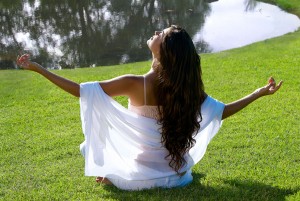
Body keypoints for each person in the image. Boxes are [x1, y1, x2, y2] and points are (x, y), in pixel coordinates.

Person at [16, 25, 283, 190]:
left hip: (142, 173)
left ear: (163, 51)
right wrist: (259, 93)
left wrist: (39, 69)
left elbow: (83, 91)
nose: (156, 33)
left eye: (161, 35)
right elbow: (221, 111)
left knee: (89, 150)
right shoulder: (186, 88)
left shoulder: (136, 83)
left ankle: (118, 177)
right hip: (178, 174)